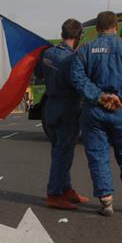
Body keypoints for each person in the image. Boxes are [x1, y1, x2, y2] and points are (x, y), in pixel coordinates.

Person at [70, 11, 122, 216]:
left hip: (94, 111)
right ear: (117, 27)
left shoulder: (85, 50)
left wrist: (99, 96)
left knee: (98, 156)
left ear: (96, 28)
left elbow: (77, 78)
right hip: (121, 111)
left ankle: (106, 201)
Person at [34, 18, 89, 210]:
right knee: (63, 153)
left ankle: (66, 189)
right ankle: (55, 193)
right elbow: (78, 82)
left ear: (62, 34)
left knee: (58, 150)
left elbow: (39, 74)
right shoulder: (72, 58)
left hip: (50, 107)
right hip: (68, 108)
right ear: (79, 36)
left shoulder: (48, 53)